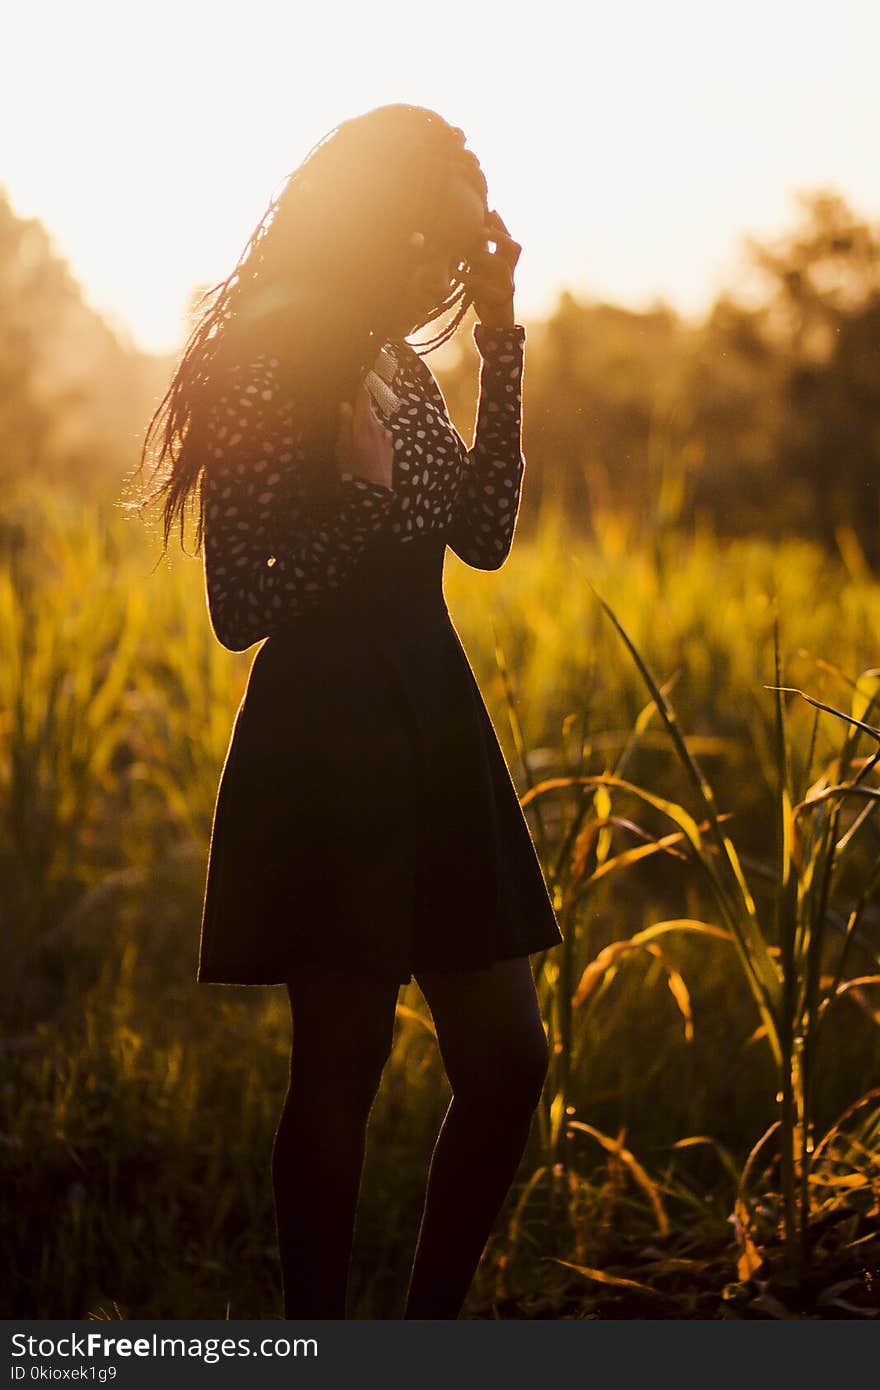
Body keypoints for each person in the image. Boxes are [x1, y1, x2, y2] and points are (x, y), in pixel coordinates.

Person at [135, 103, 563, 1320]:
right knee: (342, 1067)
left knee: (507, 1058)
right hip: (327, 740)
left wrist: (503, 340)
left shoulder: (402, 365)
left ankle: (427, 1328)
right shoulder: (275, 358)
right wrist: (368, 509)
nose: (443, 264)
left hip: (431, 719)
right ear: (383, 225)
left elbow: (480, 539)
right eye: (434, 238)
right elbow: (240, 602)